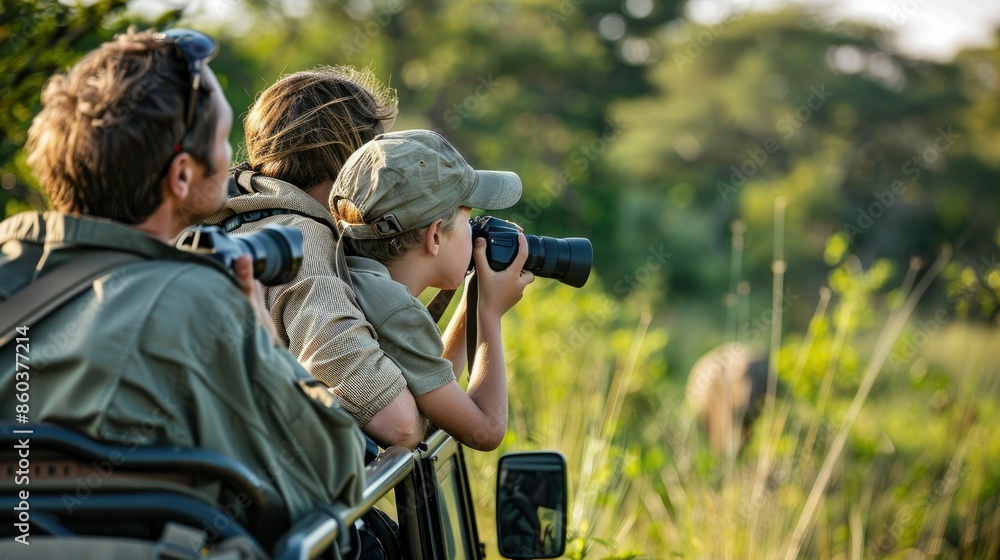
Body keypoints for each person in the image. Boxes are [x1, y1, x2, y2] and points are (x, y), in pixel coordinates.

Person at [0, 29, 365, 526]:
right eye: (221, 142)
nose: (232, 160)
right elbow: (335, 469)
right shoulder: (198, 300)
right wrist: (258, 327)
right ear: (181, 177)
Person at [202, 67, 425, 450]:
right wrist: (479, 309)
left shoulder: (219, 222)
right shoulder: (303, 241)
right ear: (358, 162)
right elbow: (398, 424)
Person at [330, 129, 534, 451]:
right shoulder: (396, 308)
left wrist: (473, 298)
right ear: (435, 236)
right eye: (469, 220)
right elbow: (486, 429)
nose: (476, 232)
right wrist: (490, 313)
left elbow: (435, 387)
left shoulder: (358, 279)